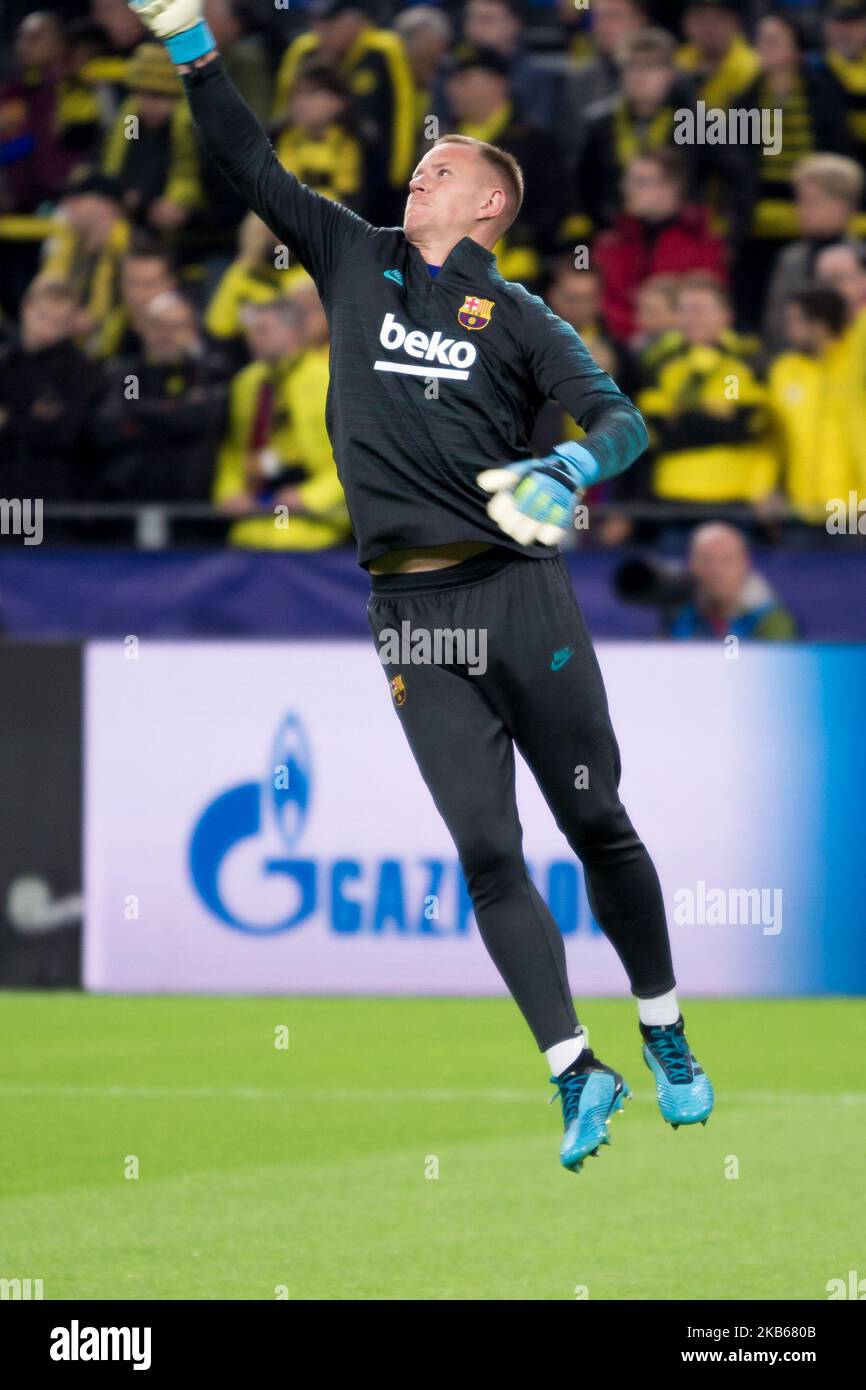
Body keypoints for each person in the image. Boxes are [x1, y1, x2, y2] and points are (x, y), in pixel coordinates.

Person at [127, 0, 714, 1172]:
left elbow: (622, 417)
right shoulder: (353, 255)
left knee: (592, 816)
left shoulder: (522, 318)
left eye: (437, 170)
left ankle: (664, 1030)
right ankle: (572, 1071)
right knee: (485, 852)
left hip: (517, 594)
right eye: (415, 165)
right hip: (409, 613)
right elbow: (246, 158)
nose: (416, 177)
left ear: (488, 202)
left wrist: (567, 460)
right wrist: (191, 39)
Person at [668, 523, 797, 640]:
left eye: (727, 560)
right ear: (692, 566)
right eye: (706, 560)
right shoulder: (679, 617)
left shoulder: (772, 621)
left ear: (745, 564)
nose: (716, 571)